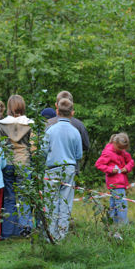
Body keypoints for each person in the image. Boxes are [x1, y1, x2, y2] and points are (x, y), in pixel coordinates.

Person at [43, 98, 82, 242]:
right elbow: (79, 155)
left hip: (52, 169)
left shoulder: (50, 130)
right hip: (69, 170)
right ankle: (62, 236)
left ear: (57, 111)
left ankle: (51, 236)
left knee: (50, 203)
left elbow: (42, 151)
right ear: (72, 113)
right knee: (65, 202)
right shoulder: (75, 132)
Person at [0, 95, 34, 238]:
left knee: (9, 197)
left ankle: (7, 231)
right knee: (24, 197)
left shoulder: (2, 124)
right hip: (24, 161)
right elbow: (33, 146)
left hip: (8, 162)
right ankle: (25, 228)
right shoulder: (30, 124)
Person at [95, 133, 134, 224]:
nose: (121, 150)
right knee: (121, 205)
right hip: (115, 183)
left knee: (113, 205)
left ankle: (112, 224)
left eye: (123, 148)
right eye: (119, 148)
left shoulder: (123, 152)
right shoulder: (108, 153)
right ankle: (123, 225)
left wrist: (127, 168)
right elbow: (99, 164)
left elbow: (131, 162)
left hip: (122, 182)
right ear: (114, 143)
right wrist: (110, 170)